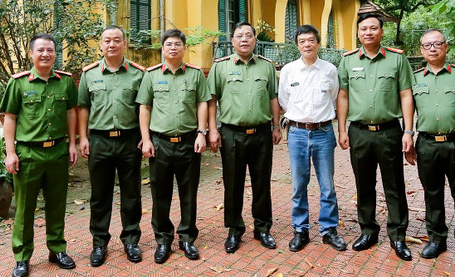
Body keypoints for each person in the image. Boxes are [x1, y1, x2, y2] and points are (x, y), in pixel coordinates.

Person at [336, 12, 415, 260]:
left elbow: (406, 95)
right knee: (364, 184)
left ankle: (398, 235)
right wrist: (342, 129)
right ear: (358, 33)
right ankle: (368, 231)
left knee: (394, 185)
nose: (368, 32)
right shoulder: (348, 61)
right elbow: (343, 96)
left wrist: (408, 130)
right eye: (363, 29)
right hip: (359, 132)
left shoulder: (397, 60)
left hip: (389, 131)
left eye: (373, 28)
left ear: (381, 32)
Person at [1, 33, 78, 277]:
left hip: (57, 151)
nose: (46, 54)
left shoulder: (66, 82)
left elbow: (71, 113)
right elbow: (10, 117)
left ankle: (57, 249)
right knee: (24, 208)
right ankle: (22, 257)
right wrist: (10, 152)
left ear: (55, 53)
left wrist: (73, 143)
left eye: (50, 50)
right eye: (41, 50)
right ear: (32, 53)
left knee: (57, 203)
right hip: (28, 153)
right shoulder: (19, 83)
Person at [408, 29, 455, 269]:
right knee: (432, 194)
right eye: (427, 45)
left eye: (437, 44)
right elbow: (407, 110)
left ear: (446, 47)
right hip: (427, 143)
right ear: (421, 50)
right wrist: (408, 136)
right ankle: (436, 239)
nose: (432, 48)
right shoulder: (414, 78)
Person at [136, 29, 210, 264]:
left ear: (184, 48)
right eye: (168, 44)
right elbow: (144, 107)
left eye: (177, 44)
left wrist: (202, 133)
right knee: (160, 194)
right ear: (162, 48)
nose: (173, 48)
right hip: (160, 144)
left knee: (188, 193)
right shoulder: (151, 75)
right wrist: (146, 139)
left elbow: (202, 103)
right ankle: (163, 239)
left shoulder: (196, 75)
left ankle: (187, 238)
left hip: (188, 142)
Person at [207, 21, 281, 254]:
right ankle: (234, 229)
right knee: (233, 183)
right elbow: (211, 100)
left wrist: (276, 126)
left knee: (262, 182)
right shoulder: (220, 67)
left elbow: (273, 97)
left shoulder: (266, 66)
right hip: (232, 133)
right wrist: (212, 129)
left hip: (261, 133)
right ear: (232, 41)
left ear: (255, 39)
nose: (244, 39)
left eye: (249, 35)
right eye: (239, 36)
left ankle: (262, 228)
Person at [78, 26, 146, 266]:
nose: (112, 45)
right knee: (99, 195)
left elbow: (144, 108)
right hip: (99, 140)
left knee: (131, 193)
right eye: (107, 41)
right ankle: (99, 243)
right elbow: (83, 107)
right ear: (101, 45)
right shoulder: (89, 74)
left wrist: (144, 136)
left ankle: (131, 240)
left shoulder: (138, 74)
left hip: (129, 139)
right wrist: (83, 137)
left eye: (117, 40)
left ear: (124, 44)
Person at [278, 24, 346, 252]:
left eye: (310, 40)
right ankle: (301, 230)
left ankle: (329, 230)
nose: (307, 45)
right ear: (297, 45)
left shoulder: (329, 70)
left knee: (327, 185)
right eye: (302, 41)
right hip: (297, 133)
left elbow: (335, 98)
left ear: (318, 43)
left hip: (323, 132)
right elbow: (284, 100)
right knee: (299, 185)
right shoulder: (289, 70)